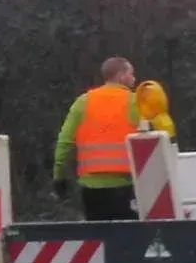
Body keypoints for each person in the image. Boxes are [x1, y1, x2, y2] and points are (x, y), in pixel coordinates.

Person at [52, 58, 176, 220]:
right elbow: (162, 136)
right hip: (126, 187)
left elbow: (65, 142)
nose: (134, 78)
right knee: (127, 239)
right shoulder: (135, 102)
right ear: (121, 75)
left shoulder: (83, 102)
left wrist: (59, 176)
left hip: (91, 188)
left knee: (100, 238)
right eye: (131, 74)